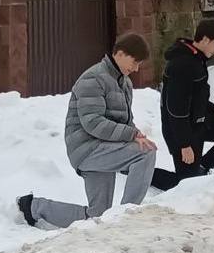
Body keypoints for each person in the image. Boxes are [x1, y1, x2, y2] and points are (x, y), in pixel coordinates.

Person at [18, 34, 159, 230]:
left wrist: (136, 134)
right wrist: (131, 135)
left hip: (104, 148)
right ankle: (127, 218)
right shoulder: (93, 78)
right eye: (134, 62)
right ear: (119, 53)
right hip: (88, 149)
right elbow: (93, 122)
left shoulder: (124, 83)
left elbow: (124, 121)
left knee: (98, 216)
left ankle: (33, 207)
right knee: (146, 153)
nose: (136, 69)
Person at [151, 19, 214, 192]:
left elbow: (198, 97)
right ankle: (143, 174)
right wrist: (184, 144)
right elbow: (176, 110)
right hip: (181, 131)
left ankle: (201, 169)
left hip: (199, 123)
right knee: (186, 185)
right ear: (205, 40)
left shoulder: (196, 60)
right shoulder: (181, 65)